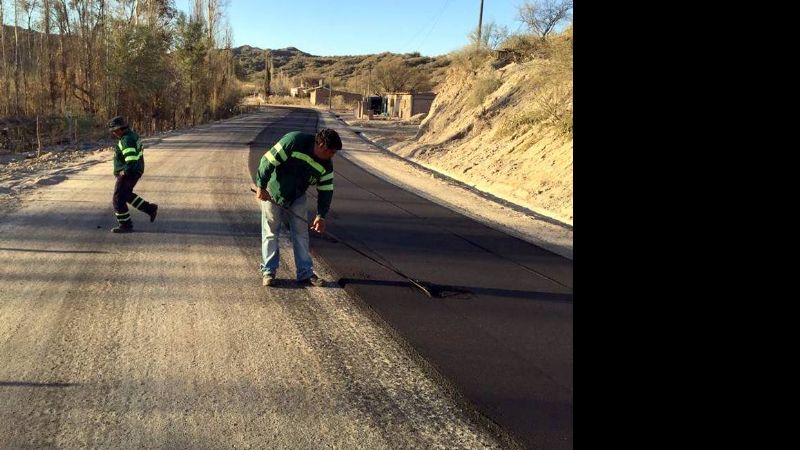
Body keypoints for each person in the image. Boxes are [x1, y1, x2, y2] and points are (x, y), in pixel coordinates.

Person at [254, 128, 342, 287]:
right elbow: (267, 160)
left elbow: (326, 190)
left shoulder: (326, 165)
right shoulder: (294, 141)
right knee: (271, 232)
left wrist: (321, 215)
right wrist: (261, 186)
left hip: (297, 196)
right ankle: (268, 271)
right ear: (321, 145)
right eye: (331, 152)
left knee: (301, 233)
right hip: (273, 192)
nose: (332, 156)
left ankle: (305, 273)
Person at [107, 116, 158, 233]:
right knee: (126, 195)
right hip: (135, 171)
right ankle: (150, 209)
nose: (114, 133)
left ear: (120, 129)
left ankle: (126, 225)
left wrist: (125, 171)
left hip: (129, 172)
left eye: (114, 131)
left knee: (118, 198)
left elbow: (131, 158)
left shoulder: (126, 140)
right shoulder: (131, 135)